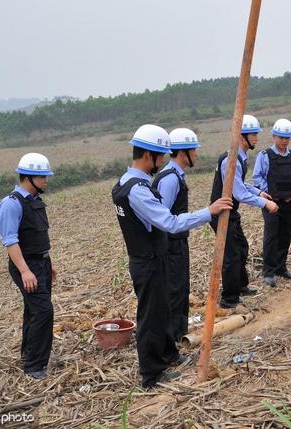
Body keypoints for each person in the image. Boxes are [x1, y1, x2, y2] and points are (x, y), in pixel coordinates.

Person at [112, 124, 232, 388]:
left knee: (163, 310)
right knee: (151, 317)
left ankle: (168, 356)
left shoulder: (127, 182)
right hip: (148, 261)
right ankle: (152, 374)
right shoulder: (137, 190)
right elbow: (171, 222)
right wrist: (209, 211)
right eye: (161, 156)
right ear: (148, 156)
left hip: (153, 257)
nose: (163, 161)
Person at [0, 153, 57, 380]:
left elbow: (38, 235)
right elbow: (10, 241)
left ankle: (28, 355)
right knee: (43, 311)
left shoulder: (34, 202)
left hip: (41, 262)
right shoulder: (11, 204)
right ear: (29, 178)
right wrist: (25, 271)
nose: (46, 181)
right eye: (42, 177)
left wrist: (49, 263)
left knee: (33, 310)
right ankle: (34, 366)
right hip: (26, 265)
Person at [210, 114, 279, 308]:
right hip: (221, 213)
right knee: (231, 255)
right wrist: (265, 204)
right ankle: (229, 299)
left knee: (242, 248)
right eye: (253, 134)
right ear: (242, 137)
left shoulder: (240, 157)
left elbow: (239, 184)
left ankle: (240, 286)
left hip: (230, 211)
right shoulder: (230, 160)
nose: (256, 138)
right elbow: (238, 192)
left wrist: (259, 192)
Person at [152, 128, 201, 341]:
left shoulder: (177, 175)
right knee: (174, 290)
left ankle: (180, 333)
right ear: (183, 153)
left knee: (181, 289)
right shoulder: (170, 179)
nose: (197, 155)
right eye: (194, 151)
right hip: (170, 245)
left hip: (178, 241)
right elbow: (162, 217)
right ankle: (171, 337)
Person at [253, 119, 291, 287]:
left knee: (284, 235)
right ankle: (268, 271)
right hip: (270, 203)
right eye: (281, 137)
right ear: (274, 136)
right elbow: (257, 177)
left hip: (286, 202)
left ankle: (281, 268)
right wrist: (270, 193)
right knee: (271, 236)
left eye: (287, 138)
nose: (284, 141)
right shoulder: (265, 155)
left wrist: (290, 192)